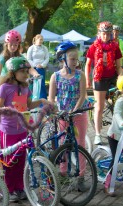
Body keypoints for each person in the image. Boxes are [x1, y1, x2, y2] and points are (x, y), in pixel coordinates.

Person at [0, 56, 51, 202]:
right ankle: (9, 189)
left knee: (21, 161)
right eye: (23, 71)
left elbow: (28, 106)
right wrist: (8, 110)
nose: (26, 74)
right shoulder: (5, 88)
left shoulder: (25, 87)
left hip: (22, 128)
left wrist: (41, 101)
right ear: (13, 72)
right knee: (9, 161)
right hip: (8, 129)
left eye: (27, 71)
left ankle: (20, 187)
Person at [48, 42, 89, 190]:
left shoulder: (80, 75)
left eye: (76, 59)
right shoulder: (55, 77)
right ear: (63, 59)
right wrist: (53, 110)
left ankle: (81, 176)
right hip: (63, 116)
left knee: (79, 144)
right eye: (72, 59)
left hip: (78, 115)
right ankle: (63, 173)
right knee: (62, 143)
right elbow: (51, 98)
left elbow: (82, 96)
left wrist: (74, 111)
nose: (75, 62)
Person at [85, 21, 123, 145]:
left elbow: (119, 66)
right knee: (100, 106)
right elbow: (88, 64)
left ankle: (118, 130)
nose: (105, 36)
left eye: (107, 33)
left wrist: (121, 76)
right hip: (99, 77)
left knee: (120, 105)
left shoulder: (115, 46)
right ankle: (97, 134)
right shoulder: (94, 46)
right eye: (103, 33)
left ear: (111, 34)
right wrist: (87, 79)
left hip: (112, 76)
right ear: (99, 34)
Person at [27, 34, 49, 99]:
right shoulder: (31, 48)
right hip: (33, 69)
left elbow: (47, 58)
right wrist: (34, 65)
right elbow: (28, 58)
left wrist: (42, 65)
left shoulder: (44, 48)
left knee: (41, 84)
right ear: (36, 40)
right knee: (32, 84)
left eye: (42, 40)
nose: (41, 41)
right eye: (39, 39)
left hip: (41, 68)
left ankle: (42, 99)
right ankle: (31, 99)